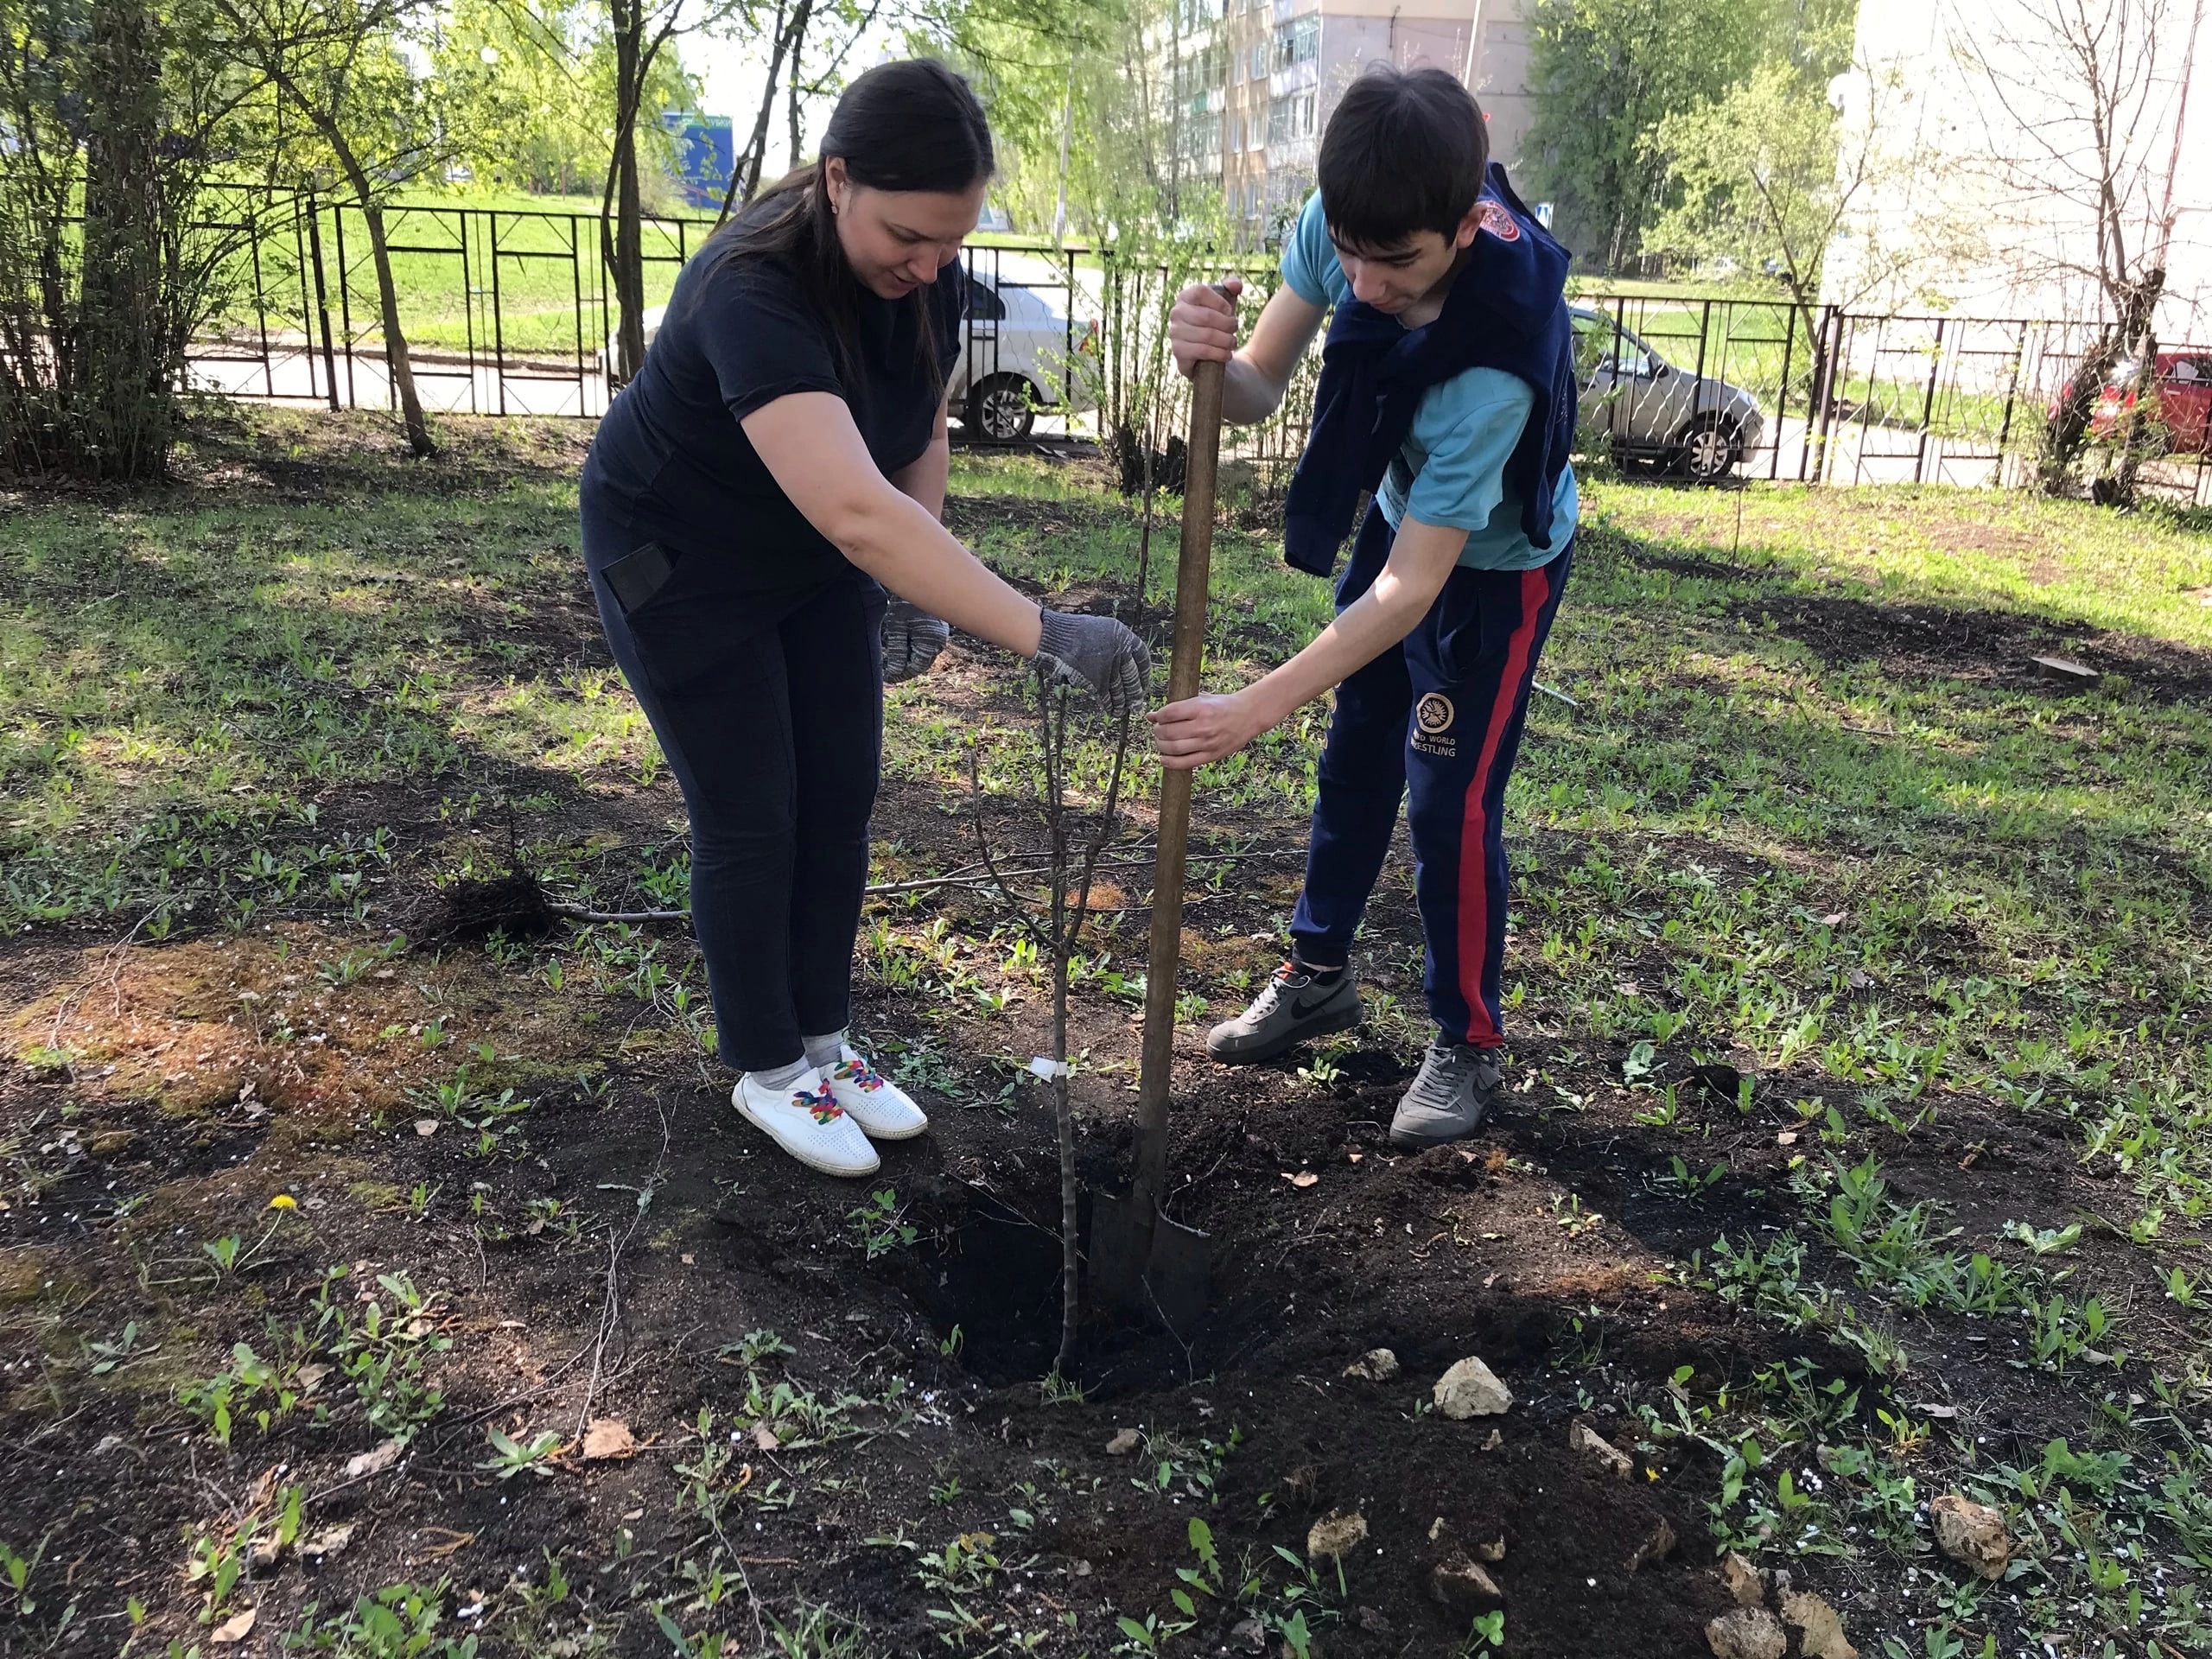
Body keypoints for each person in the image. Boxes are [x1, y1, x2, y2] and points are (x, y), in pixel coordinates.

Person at [579, 59, 1149, 1179]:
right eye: (909, 237)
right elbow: (853, 509)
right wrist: (1041, 629)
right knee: (755, 815)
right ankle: (769, 1068)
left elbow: (915, 436)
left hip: (810, 552)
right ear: (837, 180)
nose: (932, 265)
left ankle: (826, 1044)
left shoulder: (916, 272)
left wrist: (897, 584)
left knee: (839, 796)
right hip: (679, 561)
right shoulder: (753, 290)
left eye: (951, 241)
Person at [1152, 64, 1576, 1151]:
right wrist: (1203, 348)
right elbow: (1252, 387)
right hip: (1408, 512)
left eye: (1398, 264)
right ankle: (1317, 978)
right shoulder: (1346, 220)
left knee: (1447, 799)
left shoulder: (1495, 369)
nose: (1367, 282)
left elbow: (1411, 591)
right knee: (1354, 758)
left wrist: (1255, 703)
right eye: (1350, 254)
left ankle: (1465, 1042)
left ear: (1466, 227)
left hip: (1492, 565)